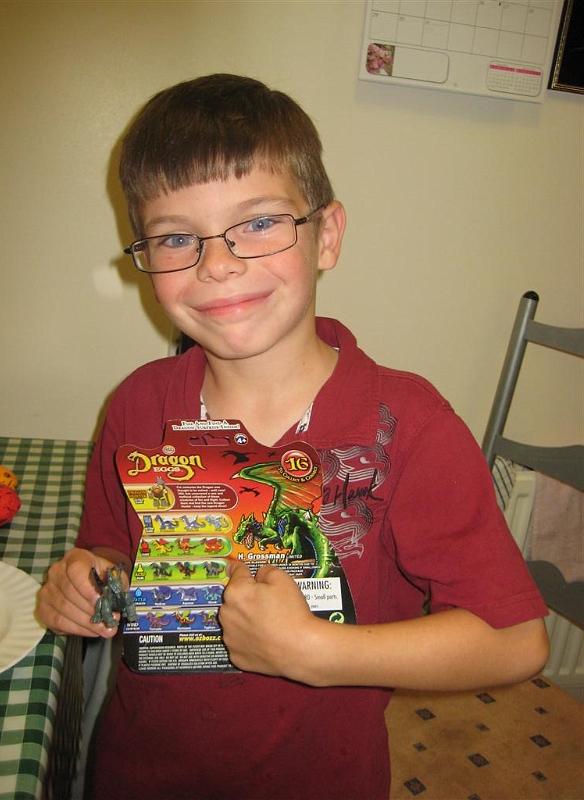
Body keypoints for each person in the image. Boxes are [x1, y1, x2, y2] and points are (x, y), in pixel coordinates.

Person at [36, 74, 548, 800]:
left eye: (258, 223)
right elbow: (113, 549)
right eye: (177, 237)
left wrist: (319, 651)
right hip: (140, 770)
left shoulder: (410, 427)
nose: (217, 264)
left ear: (326, 236)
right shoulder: (138, 404)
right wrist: (89, 580)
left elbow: (514, 640)